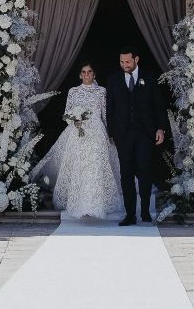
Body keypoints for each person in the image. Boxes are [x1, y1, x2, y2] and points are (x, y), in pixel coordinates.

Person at [35, 63, 125, 220]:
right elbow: (66, 114)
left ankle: (95, 203)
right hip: (77, 132)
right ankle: (79, 203)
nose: (87, 75)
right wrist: (74, 120)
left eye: (89, 72)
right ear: (80, 75)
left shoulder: (101, 91)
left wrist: (109, 134)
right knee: (79, 165)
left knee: (95, 165)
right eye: (83, 72)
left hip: (97, 131)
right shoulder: (73, 91)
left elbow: (105, 114)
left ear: (94, 74)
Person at [105, 50, 166, 226]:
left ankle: (145, 211)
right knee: (126, 174)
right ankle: (130, 214)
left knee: (145, 171)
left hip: (145, 134)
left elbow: (158, 105)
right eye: (122, 62)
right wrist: (111, 133)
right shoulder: (113, 80)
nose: (125, 65)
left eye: (128, 62)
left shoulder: (150, 77)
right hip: (123, 135)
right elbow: (110, 109)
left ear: (136, 59)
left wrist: (160, 128)